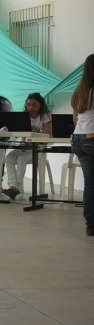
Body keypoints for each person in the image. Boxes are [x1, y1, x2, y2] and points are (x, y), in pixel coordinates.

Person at [1, 92, 52, 200]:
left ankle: (15, 187)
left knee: (21, 158)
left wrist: (39, 130)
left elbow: (48, 135)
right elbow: (16, 132)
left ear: (40, 106)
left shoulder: (45, 116)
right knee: (9, 157)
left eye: (34, 105)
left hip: (38, 148)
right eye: (28, 104)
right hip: (23, 146)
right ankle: (12, 186)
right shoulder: (23, 115)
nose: (30, 107)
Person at [71, 53, 94, 237]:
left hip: (78, 138)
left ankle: (91, 225)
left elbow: (75, 118)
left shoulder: (79, 90)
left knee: (90, 184)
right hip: (91, 138)